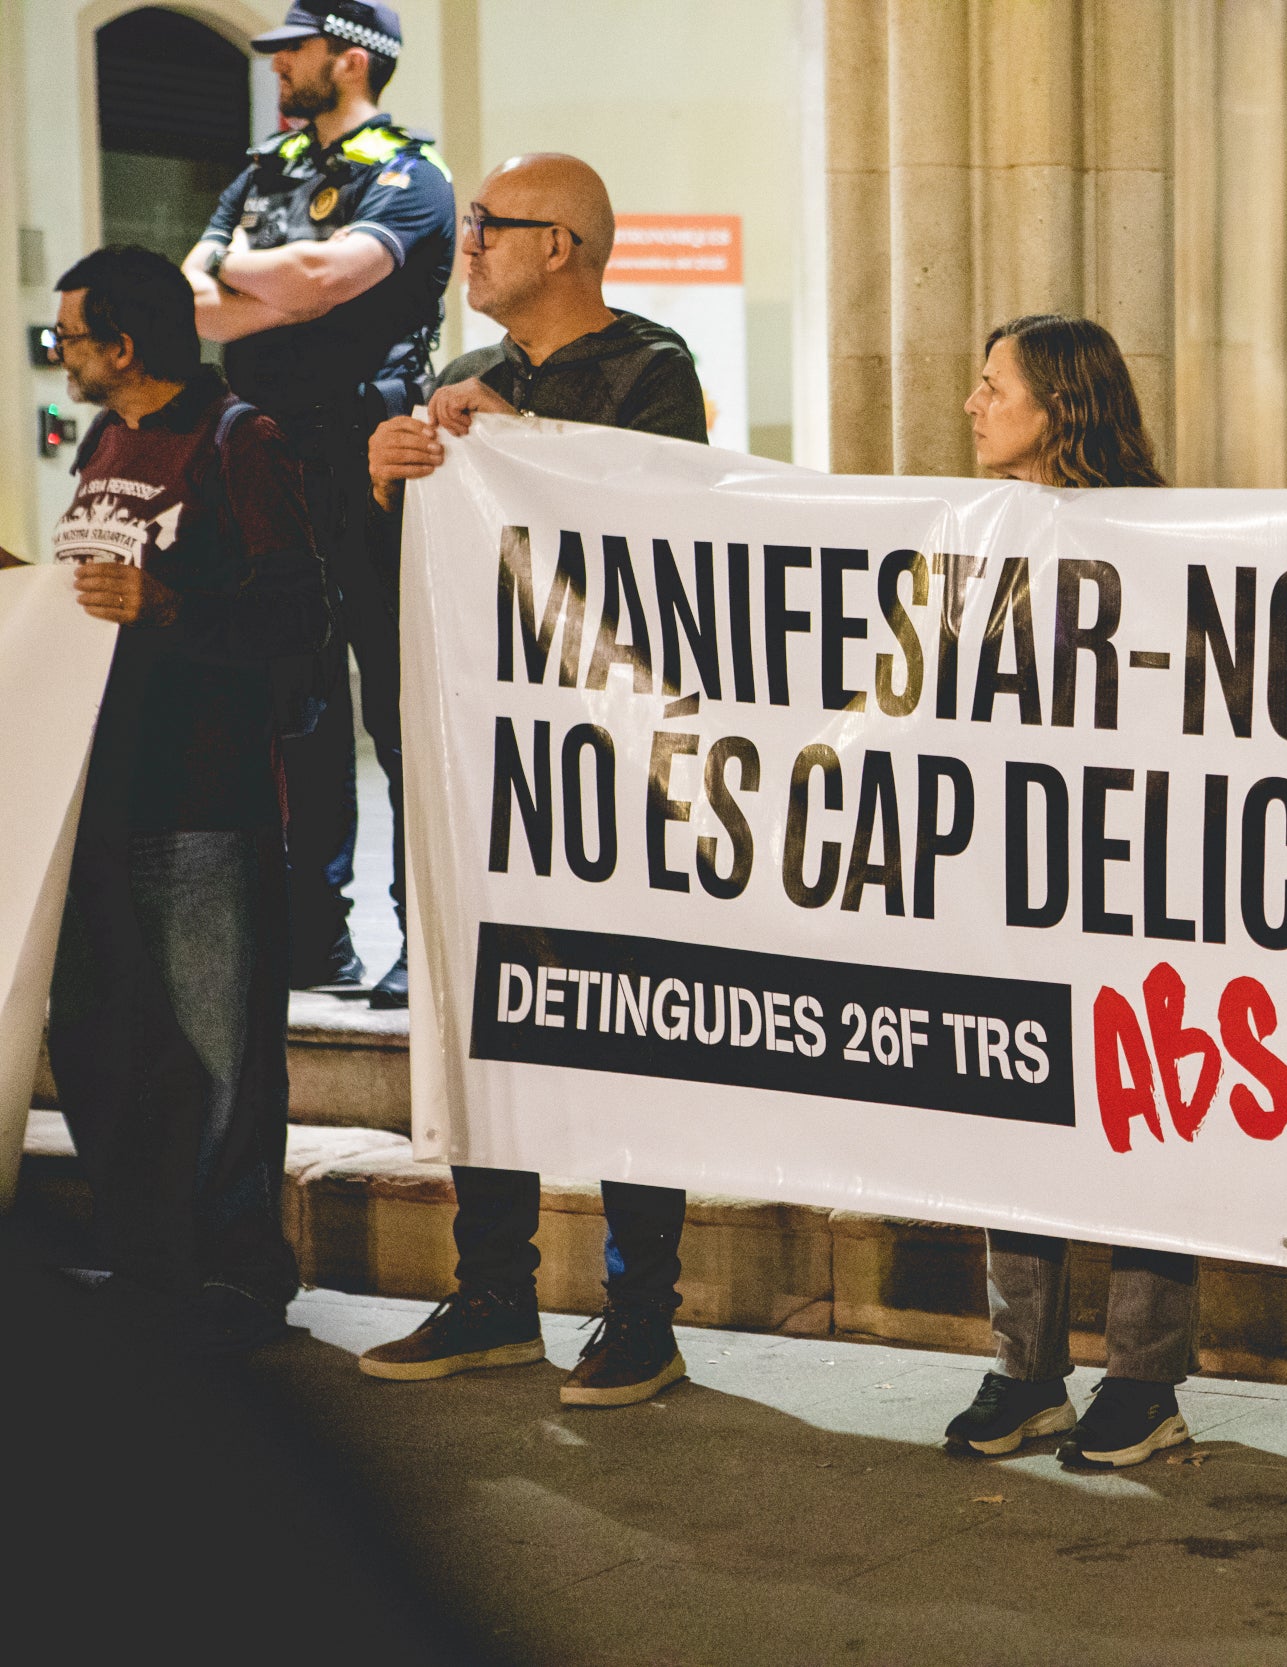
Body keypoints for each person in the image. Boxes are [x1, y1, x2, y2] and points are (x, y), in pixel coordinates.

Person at [354, 154, 709, 1409]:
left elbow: (662, 528)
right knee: (484, 1015)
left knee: (624, 1019)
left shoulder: (652, 369)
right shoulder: (458, 377)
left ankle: (640, 1312)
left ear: (562, 245)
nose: (471, 245)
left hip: (607, 763)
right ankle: (493, 1292)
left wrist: (519, 443)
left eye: (492, 227)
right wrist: (391, 470)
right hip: (481, 753)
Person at [31, 248, 328, 1352]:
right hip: (101, 800)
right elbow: (86, 601)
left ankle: (242, 1277)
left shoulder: (236, 440)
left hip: (204, 800)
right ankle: (151, 1262)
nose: (58, 352)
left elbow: (297, 625)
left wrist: (168, 608)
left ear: (126, 346)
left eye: (69, 335)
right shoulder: (109, 442)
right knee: (106, 1047)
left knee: (217, 1057)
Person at [942, 315, 1194, 1470]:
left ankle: (1144, 1379)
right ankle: (1025, 1369)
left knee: (1138, 1124)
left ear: (1060, 404)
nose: (971, 404)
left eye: (994, 386)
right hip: (1008, 872)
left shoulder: (1159, 538)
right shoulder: (971, 532)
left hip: (1132, 876)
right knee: (1016, 1118)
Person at [185, 1, 456, 1007]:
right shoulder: (264, 169)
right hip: (264, 453)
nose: (276, 68)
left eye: (290, 50)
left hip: (367, 452)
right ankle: (312, 936)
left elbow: (320, 276)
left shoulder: (409, 176)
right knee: (289, 705)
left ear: (348, 61)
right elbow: (192, 298)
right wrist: (272, 280)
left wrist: (251, 273)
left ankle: (420, 939)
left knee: (395, 700)